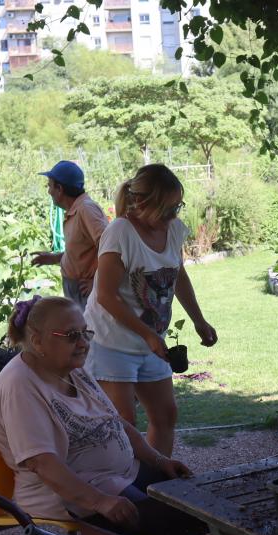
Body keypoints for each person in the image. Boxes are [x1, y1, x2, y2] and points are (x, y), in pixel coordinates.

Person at [0, 296, 191, 529]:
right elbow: (42, 464)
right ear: (37, 341)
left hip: (118, 476)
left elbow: (116, 424)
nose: (84, 343)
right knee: (162, 524)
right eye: (72, 336)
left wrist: (160, 460)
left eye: (86, 333)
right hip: (71, 495)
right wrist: (100, 502)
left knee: (188, 501)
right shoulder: (19, 386)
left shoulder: (71, 369)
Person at [83, 164, 217, 457]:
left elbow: (177, 274)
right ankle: (126, 491)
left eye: (177, 206)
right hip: (110, 343)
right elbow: (105, 296)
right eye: (168, 209)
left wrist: (198, 320)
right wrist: (148, 334)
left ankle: (157, 485)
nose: (174, 215)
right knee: (124, 425)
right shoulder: (120, 232)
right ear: (142, 204)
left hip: (150, 342)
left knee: (165, 415)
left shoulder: (172, 230)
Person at [30, 160, 109, 310]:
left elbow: (112, 248)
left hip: (85, 291)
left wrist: (98, 282)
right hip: (76, 290)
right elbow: (83, 251)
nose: (49, 191)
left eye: (50, 186)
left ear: (60, 189)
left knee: (89, 332)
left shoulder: (86, 210)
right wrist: (55, 258)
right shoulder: (76, 209)